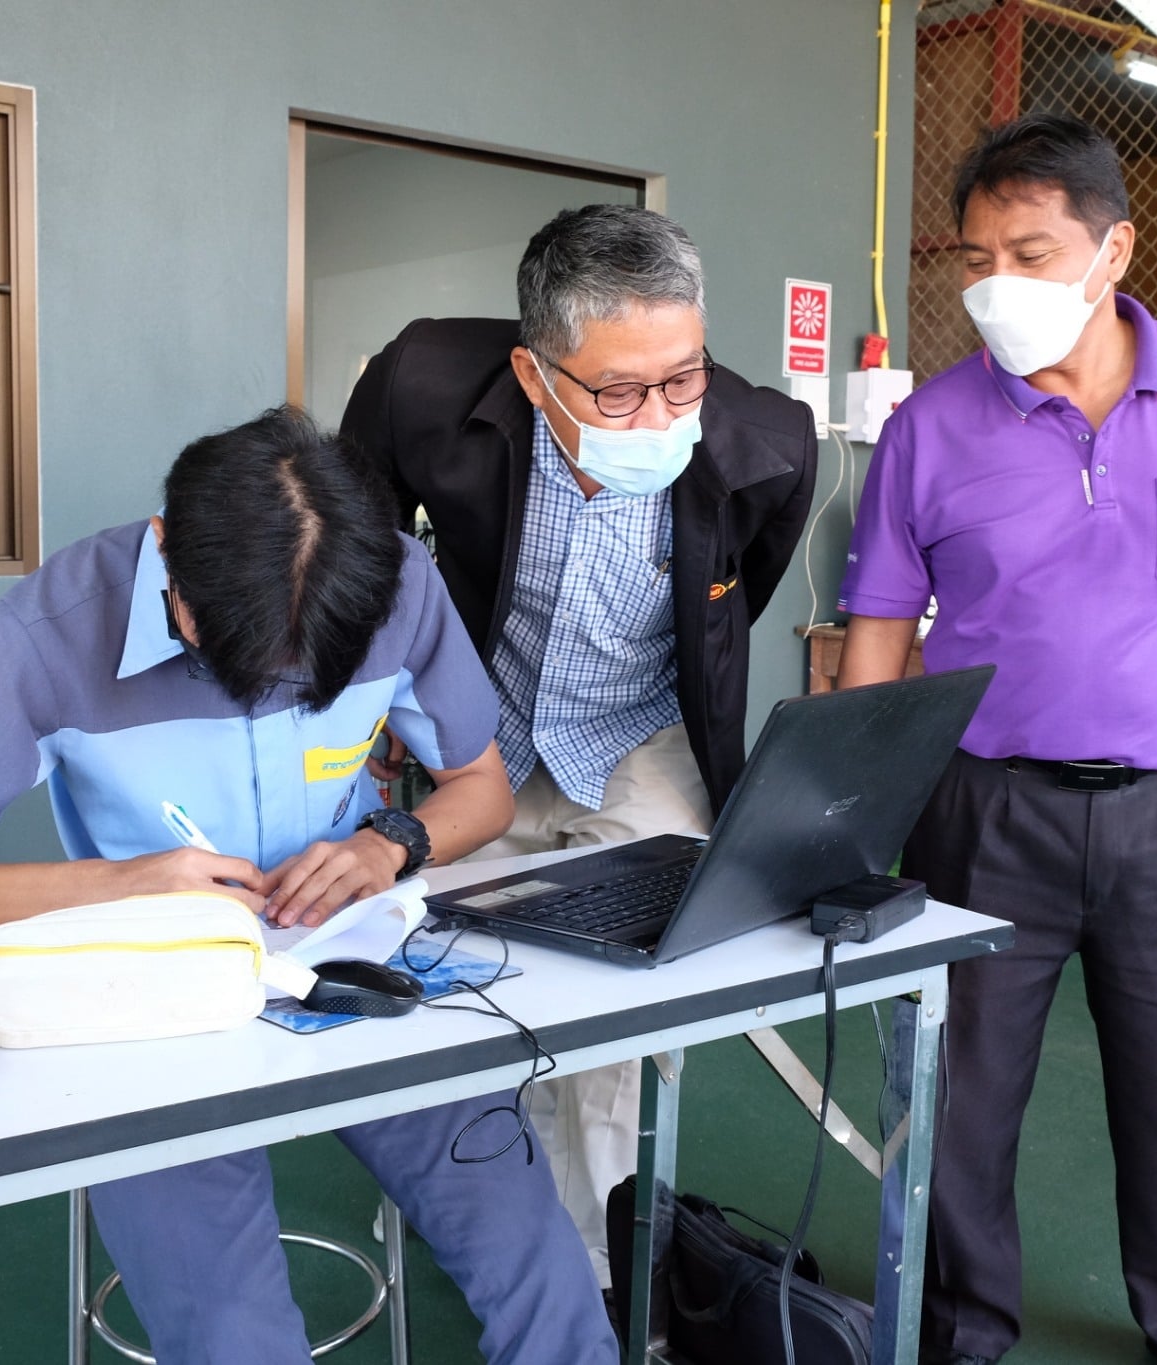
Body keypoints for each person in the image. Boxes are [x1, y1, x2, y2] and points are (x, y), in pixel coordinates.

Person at [0, 406, 616, 1365]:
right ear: (166, 560)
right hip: (150, 1016)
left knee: (545, 1268)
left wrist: (393, 839)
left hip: (356, 974)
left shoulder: (397, 582)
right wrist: (113, 886)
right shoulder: (55, 628)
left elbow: (479, 787)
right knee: (237, 1339)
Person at [835, 114, 1157, 1365]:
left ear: (1112, 249)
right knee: (960, 1103)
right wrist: (847, 818)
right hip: (979, 815)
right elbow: (879, 628)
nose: (994, 286)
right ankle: (960, 1329)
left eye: (1030, 250)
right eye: (972, 256)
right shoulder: (928, 430)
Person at [340, 204, 817, 1285]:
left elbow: (731, 606)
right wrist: (372, 718)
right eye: (615, 390)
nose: (656, 413)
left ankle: (587, 1267)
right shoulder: (421, 385)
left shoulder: (765, 442)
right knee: (444, 977)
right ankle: (459, 1217)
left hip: (639, 731)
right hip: (481, 728)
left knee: (621, 1013)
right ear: (530, 368)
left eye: (681, 376)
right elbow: (357, 556)